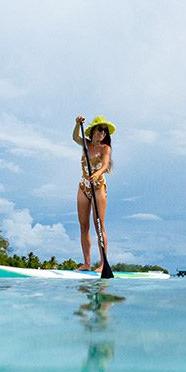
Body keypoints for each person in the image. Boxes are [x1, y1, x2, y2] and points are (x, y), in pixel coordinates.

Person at [72, 115, 114, 271]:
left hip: (98, 187)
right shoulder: (86, 144)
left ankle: (103, 264)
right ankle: (87, 263)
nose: (102, 133)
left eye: (105, 131)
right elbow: (75, 136)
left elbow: (105, 164)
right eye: (100, 130)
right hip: (84, 186)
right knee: (83, 226)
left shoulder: (105, 148)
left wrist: (98, 173)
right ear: (93, 131)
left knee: (99, 225)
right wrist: (77, 124)